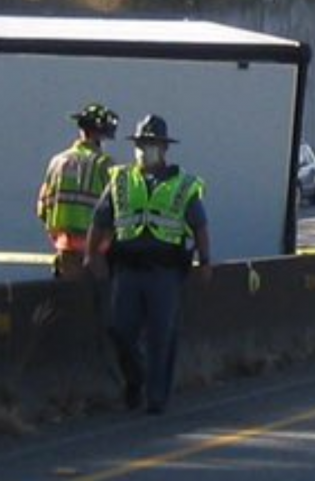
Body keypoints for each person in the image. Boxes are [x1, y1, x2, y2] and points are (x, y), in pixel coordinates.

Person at [85, 114, 212, 415]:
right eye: (142, 143)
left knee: (160, 334)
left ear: (164, 148)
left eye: (151, 143)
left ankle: (156, 397)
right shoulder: (121, 180)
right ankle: (135, 379)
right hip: (127, 270)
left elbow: (200, 226)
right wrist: (92, 254)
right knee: (120, 329)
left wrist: (205, 260)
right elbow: (100, 220)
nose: (145, 149)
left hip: (164, 272)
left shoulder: (183, 185)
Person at [37, 103, 119, 279]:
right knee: (99, 302)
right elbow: (118, 208)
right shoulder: (104, 165)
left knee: (71, 301)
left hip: (65, 248)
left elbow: (42, 208)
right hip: (97, 253)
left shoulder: (57, 162)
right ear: (102, 136)